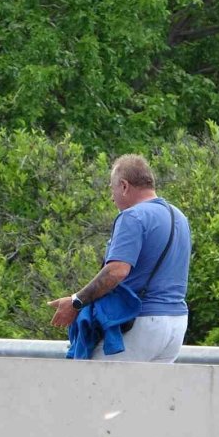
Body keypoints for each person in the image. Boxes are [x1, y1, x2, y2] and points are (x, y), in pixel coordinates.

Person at [48, 154, 191, 363]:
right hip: (176, 324)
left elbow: (117, 271)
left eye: (112, 188)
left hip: (142, 321)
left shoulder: (132, 217)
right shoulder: (179, 217)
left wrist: (76, 302)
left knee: (91, 385)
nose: (111, 197)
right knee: (144, 394)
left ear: (124, 186)